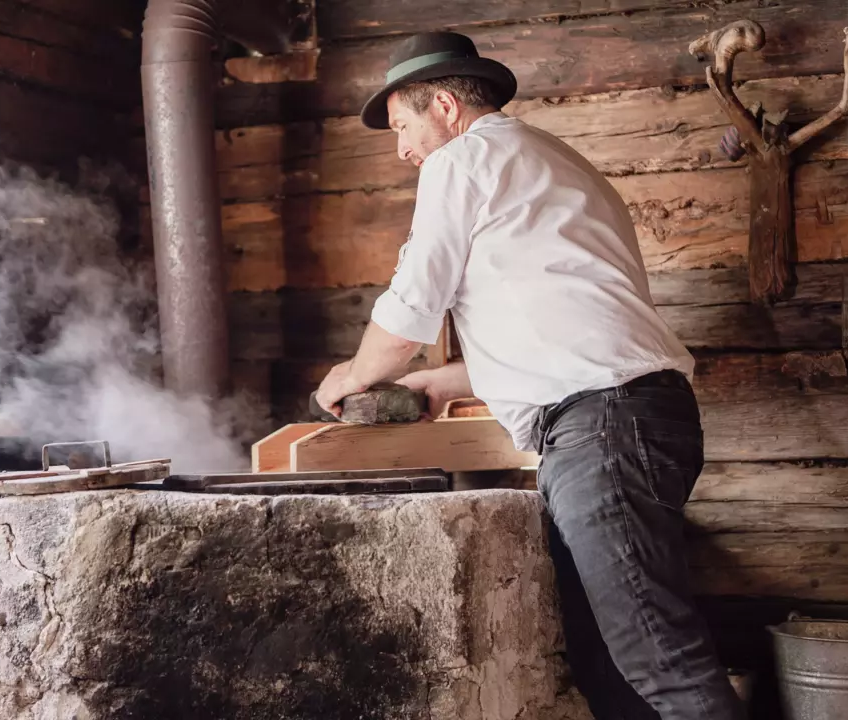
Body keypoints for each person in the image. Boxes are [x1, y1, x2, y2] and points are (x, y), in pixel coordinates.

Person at [312, 30, 745, 720]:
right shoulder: (552, 160)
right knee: (610, 668)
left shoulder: (462, 161)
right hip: (631, 418)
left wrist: (350, 375)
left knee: (661, 666)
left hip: (602, 429)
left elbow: (406, 317)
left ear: (446, 106)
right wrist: (440, 384)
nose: (401, 149)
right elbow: (559, 330)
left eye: (402, 126)